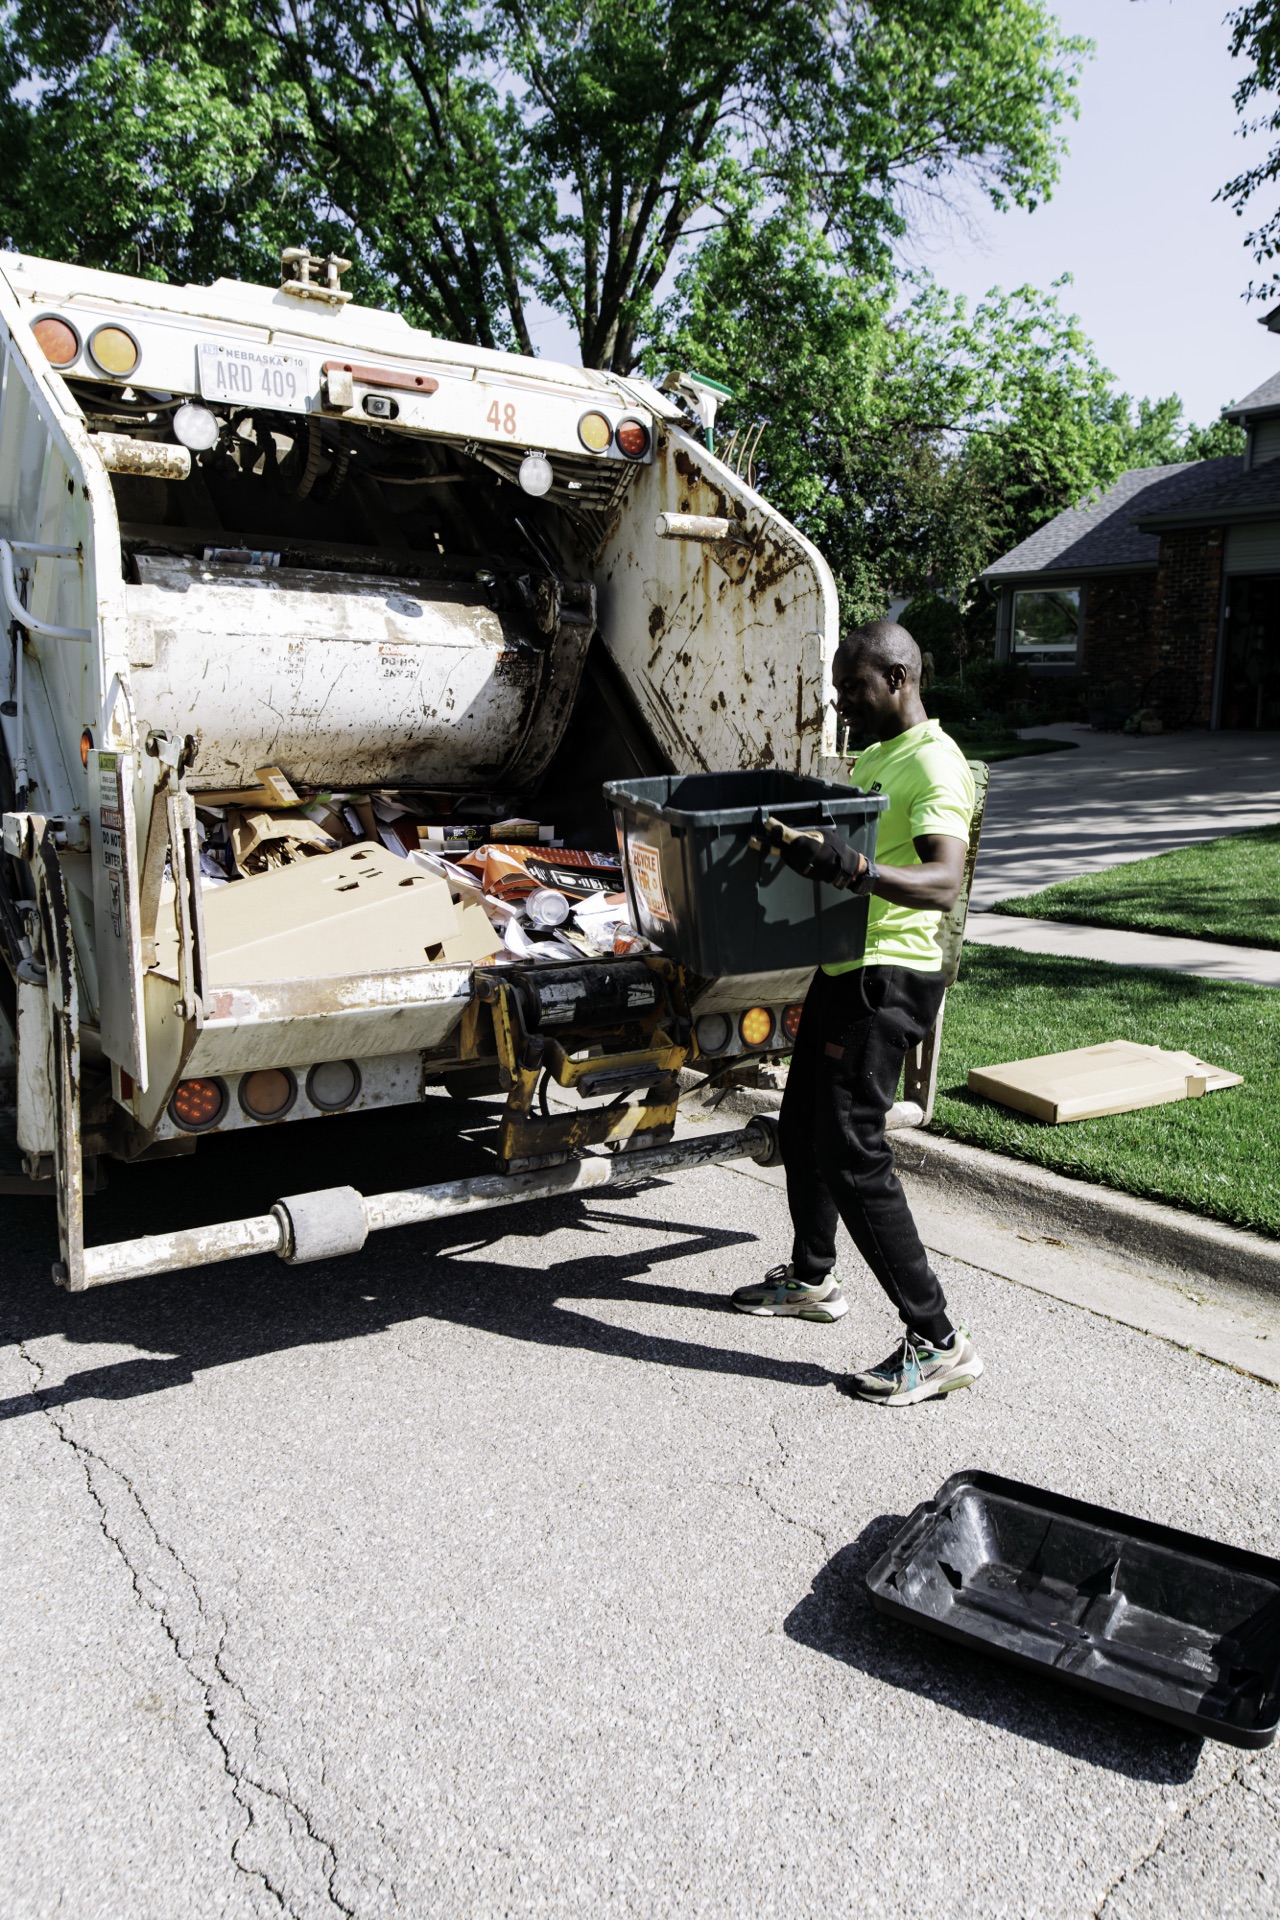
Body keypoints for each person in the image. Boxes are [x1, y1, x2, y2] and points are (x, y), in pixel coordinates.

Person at [730, 621, 983, 1406]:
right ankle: (812, 1279)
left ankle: (937, 1342)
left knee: (851, 1149)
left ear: (899, 679)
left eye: (853, 685)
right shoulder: (878, 757)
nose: (841, 699)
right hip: (846, 966)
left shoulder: (934, 763)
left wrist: (855, 868)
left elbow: (943, 880)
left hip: (891, 979)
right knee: (804, 1124)